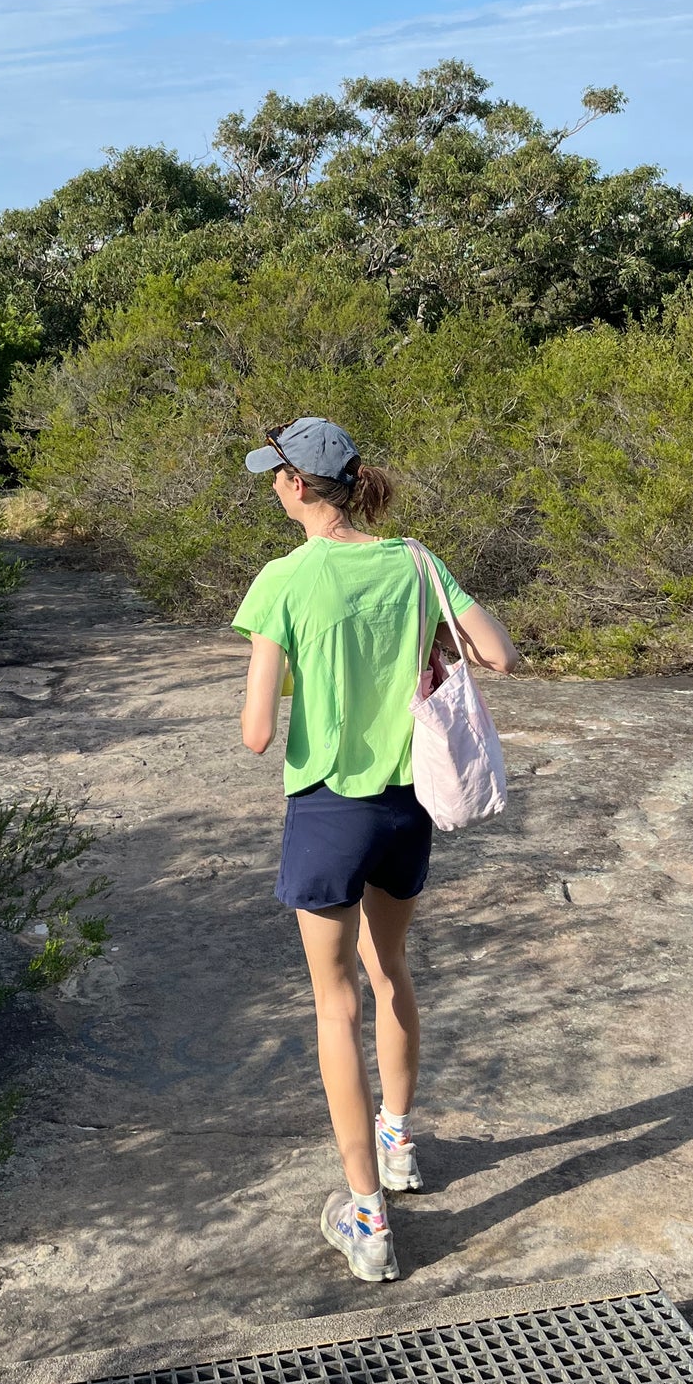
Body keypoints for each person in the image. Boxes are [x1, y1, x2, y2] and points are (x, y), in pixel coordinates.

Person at [233, 417, 518, 1283]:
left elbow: (256, 734)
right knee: (390, 969)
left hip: (330, 810)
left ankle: (367, 1217)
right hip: (407, 807)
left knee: (336, 1006)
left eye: (274, 475)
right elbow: (498, 653)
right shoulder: (416, 562)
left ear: (296, 485)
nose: (272, 486)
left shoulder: (285, 580)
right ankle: (399, 1144)